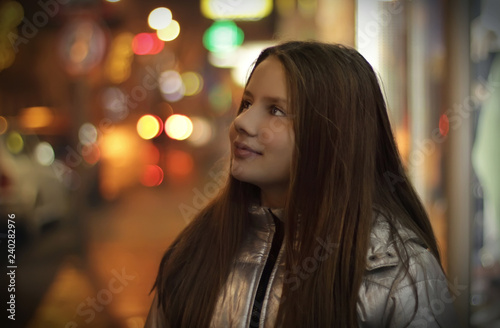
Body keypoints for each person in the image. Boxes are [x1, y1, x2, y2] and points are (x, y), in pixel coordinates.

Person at [145, 41, 459, 327]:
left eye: (276, 110)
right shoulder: (196, 250)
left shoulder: (397, 275)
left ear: (333, 136)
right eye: (247, 104)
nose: (242, 122)